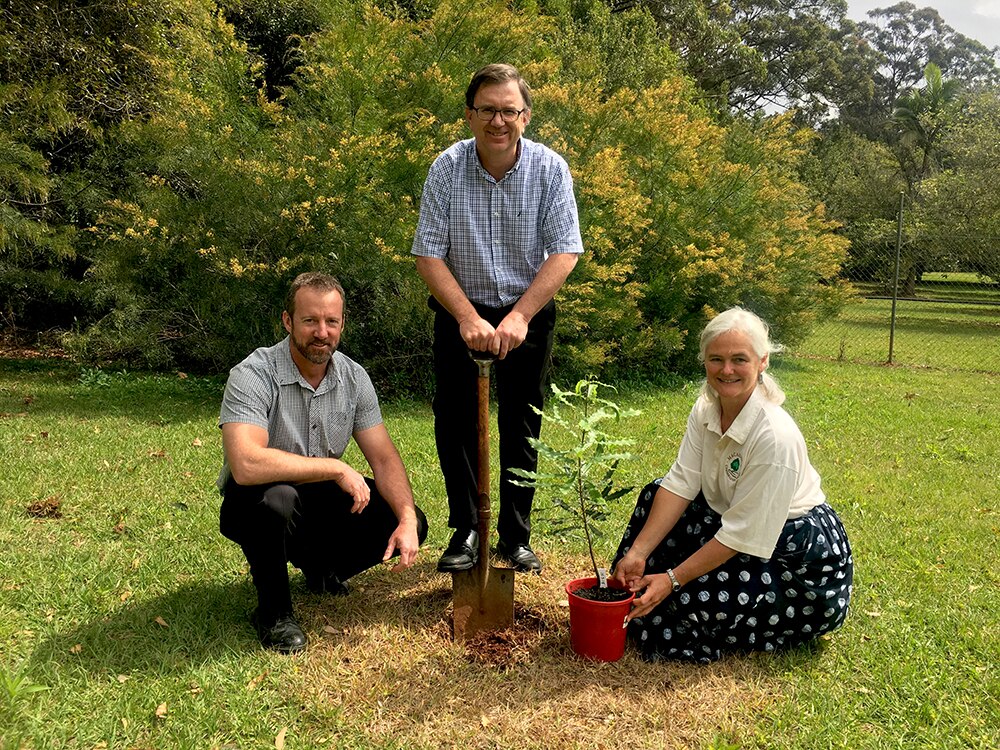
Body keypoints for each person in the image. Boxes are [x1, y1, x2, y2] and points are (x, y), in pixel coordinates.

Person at [411, 63, 584, 575]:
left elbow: (565, 251)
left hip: (524, 315)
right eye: (487, 109)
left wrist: (521, 316)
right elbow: (428, 253)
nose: (498, 120)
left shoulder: (550, 170)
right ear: (470, 115)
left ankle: (514, 536)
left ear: (525, 117)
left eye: (509, 110)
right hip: (459, 313)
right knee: (457, 422)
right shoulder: (446, 168)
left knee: (522, 424)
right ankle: (465, 531)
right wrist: (465, 316)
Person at [612, 307, 853, 663]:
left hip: (791, 559)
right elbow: (682, 481)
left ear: (762, 361)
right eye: (716, 359)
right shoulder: (705, 409)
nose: (726, 370)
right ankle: (646, 589)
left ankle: (667, 594)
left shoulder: (774, 436)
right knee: (656, 493)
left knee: (682, 609)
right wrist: (638, 553)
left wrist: (673, 579)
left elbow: (743, 535)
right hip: (729, 522)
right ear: (705, 361)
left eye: (739, 359)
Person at [217, 272, 428, 654]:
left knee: (407, 518)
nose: (321, 332)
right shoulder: (253, 373)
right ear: (287, 321)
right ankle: (273, 612)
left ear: (342, 324)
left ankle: (320, 570)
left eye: (331, 321)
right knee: (277, 499)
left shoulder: (353, 377)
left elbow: (382, 457)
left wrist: (408, 519)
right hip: (254, 500)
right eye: (310, 320)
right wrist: (336, 468)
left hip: (315, 500)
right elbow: (246, 463)